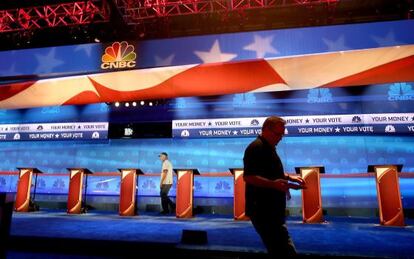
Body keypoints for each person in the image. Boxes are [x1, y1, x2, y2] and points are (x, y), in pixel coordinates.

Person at [243, 116, 306, 257]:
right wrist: (274, 185)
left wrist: (289, 178)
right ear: (266, 130)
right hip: (263, 210)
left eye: (282, 134)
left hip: (271, 210)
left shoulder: (268, 147)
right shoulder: (256, 148)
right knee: (284, 251)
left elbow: (271, 173)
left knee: (278, 250)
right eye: (278, 134)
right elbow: (248, 177)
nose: (281, 138)